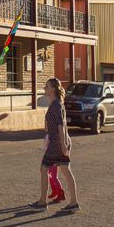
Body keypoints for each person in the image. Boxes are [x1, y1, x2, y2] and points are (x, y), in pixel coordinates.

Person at [30, 77, 80, 213]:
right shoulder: (56, 104)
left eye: (47, 86)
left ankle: (42, 201)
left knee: (44, 168)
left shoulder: (56, 105)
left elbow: (61, 125)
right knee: (65, 170)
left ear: (53, 89)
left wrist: (63, 144)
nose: (44, 88)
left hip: (57, 143)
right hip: (59, 141)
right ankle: (73, 202)